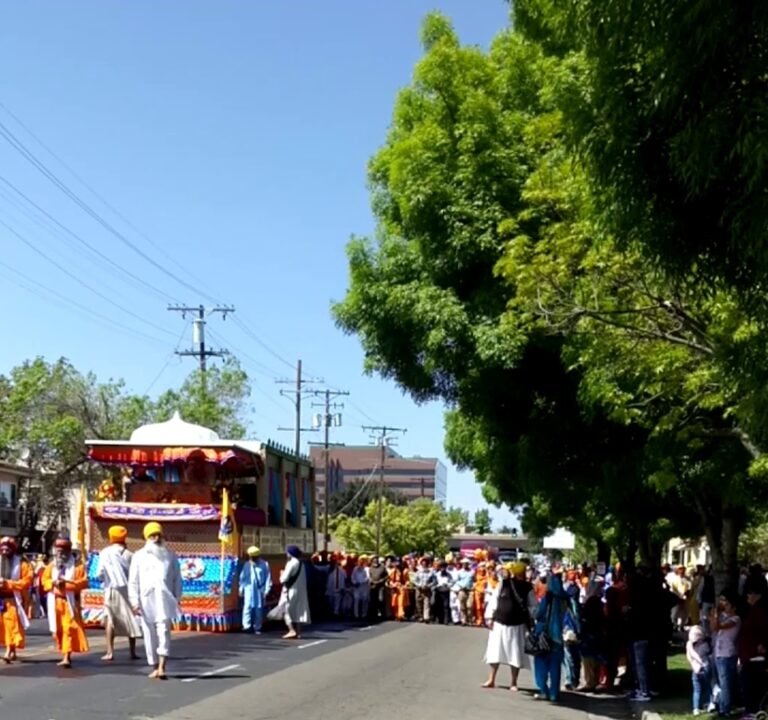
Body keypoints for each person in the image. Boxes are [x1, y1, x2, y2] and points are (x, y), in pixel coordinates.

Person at [128, 521, 182, 680]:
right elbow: (133, 581)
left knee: (164, 631)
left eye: (158, 535)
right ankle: (153, 665)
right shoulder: (138, 556)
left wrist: (177, 598)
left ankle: (162, 666)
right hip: (146, 601)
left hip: (164, 600)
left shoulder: (170, 556)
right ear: (146, 538)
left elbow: (177, 579)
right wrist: (134, 602)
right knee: (149, 633)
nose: (156, 538)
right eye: (152, 535)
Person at [482, 562, 534, 692]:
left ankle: (513, 682)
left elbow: (533, 605)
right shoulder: (503, 584)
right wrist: (489, 617)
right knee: (495, 652)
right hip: (500, 622)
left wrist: (533, 619)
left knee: (515, 653)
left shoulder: (528, 587)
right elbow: (494, 599)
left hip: (517, 625)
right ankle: (491, 679)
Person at [41, 537, 89, 668]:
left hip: (69, 603)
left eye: (63, 551)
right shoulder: (51, 566)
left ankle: (67, 656)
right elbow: (44, 581)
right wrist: (53, 583)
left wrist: (66, 584)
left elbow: (83, 582)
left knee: (68, 628)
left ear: (68, 551)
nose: (60, 554)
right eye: (58, 551)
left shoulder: (78, 566)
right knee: (58, 630)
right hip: (55, 602)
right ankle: (64, 652)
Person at [96, 525, 141, 661]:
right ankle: (132, 652)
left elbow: (100, 573)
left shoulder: (105, 552)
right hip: (128, 591)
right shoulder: (130, 555)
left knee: (110, 619)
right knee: (130, 619)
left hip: (111, 589)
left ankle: (110, 652)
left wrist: (105, 581)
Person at [0, 537, 33, 663]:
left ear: (13, 549)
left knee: (11, 625)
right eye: (2, 547)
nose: (4, 550)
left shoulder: (22, 564)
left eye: (7, 547)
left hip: (13, 599)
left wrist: (8, 584)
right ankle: (11, 650)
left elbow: (26, 582)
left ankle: (9, 650)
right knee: (3, 626)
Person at [279, 545, 310, 639]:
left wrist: (281, 574)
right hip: (300, 591)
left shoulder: (291, 563)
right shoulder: (301, 564)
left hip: (290, 590)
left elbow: (284, 579)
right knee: (298, 610)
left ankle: (291, 630)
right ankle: (299, 632)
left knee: (285, 610)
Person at [238, 546, 272, 634]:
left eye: (253, 557)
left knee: (258, 608)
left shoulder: (264, 564)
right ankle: (246, 626)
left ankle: (258, 627)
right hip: (248, 588)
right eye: (250, 557)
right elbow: (243, 578)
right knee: (247, 607)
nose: (252, 558)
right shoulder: (247, 564)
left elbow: (268, 578)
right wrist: (241, 589)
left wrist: (267, 590)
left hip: (259, 589)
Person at [687, 625, 712, 716]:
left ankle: (696, 708)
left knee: (697, 690)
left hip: (695, 669)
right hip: (705, 667)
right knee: (707, 687)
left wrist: (693, 665)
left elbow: (689, 657)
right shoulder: (706, 645)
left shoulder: (690, 644)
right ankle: (709, 703)